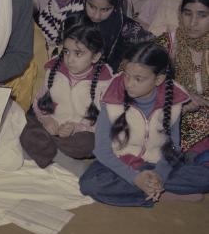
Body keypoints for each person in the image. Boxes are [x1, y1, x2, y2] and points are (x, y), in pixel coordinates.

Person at [79, 42, 209, 207]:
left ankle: (154, 187)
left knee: (204, 178)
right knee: (90, 184)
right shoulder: (111, 96)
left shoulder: (174, 98)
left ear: (159, 79)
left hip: (157, 163)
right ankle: (161, 191)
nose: (129, 83)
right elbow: (102, 150)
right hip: (121, 162)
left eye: (138, 79)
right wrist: (135, 178)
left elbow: (173, 148)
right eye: (126, 75)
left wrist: (160, 175)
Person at [20, 23, 113, 169]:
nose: (70, 59)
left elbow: (105, 123)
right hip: (50, 127)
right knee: (22, 120)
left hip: (78, 135)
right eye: (66, 52)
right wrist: (46, 119)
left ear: (95, 57)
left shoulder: (105, 84)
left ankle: (44, 150)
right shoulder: (54, 72)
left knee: (90, 143)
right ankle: (55, 153)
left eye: (78, 53)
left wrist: (77, 128)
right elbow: (38, 102)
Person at [157, 0, 209, 154]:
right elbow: (137, 80)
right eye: (187, 13)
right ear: (180, 13)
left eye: (202, 15)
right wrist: (181, 97)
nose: (193, 23)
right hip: (173, 118)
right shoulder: (167, 44)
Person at [74, 0, 153, 72]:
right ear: (85, 0)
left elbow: (153, 54)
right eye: (92, 6)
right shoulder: (75, 23)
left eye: (105, 9)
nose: (96, 15)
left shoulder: (129, 29)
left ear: (115, 7)